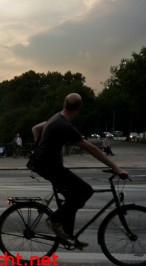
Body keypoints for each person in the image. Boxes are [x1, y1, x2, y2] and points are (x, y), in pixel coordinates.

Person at [28, 93, 128, 249]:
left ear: (64, 104)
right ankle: (54, 220)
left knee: (73, 198)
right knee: (85, 191)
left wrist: (40, 145)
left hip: (43, 164)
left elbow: (36, 128)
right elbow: (91, 148)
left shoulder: (57, 118)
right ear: (79, 108)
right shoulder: (65, 126)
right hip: (49, 166)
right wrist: (115, 167)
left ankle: (68, 235)